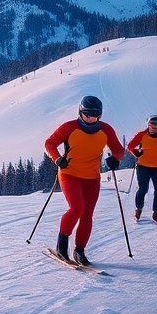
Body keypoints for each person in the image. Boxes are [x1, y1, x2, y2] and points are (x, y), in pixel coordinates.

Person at [44, 95, 126, 265]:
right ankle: (62, 244)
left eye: (95, 115)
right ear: (80, 113)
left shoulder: (106, 130)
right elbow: (49, 143)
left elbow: (118, 150)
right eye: (87, 114)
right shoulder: (69, 127)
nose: (90, 118)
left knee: (87, 214)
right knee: (76, 208)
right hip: (69, 173)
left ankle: (79, 251)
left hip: (92, 177)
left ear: (100, 115)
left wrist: (116, 159)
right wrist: (58, 159)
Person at [127, 115, 157, 222]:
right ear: (148, 126)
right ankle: (138, 209)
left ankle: (156, 212)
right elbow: (130, 146)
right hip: (143, 166)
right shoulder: (141, 135)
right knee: (143, 188)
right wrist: (136, 153)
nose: (154, 129)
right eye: (152, 127)